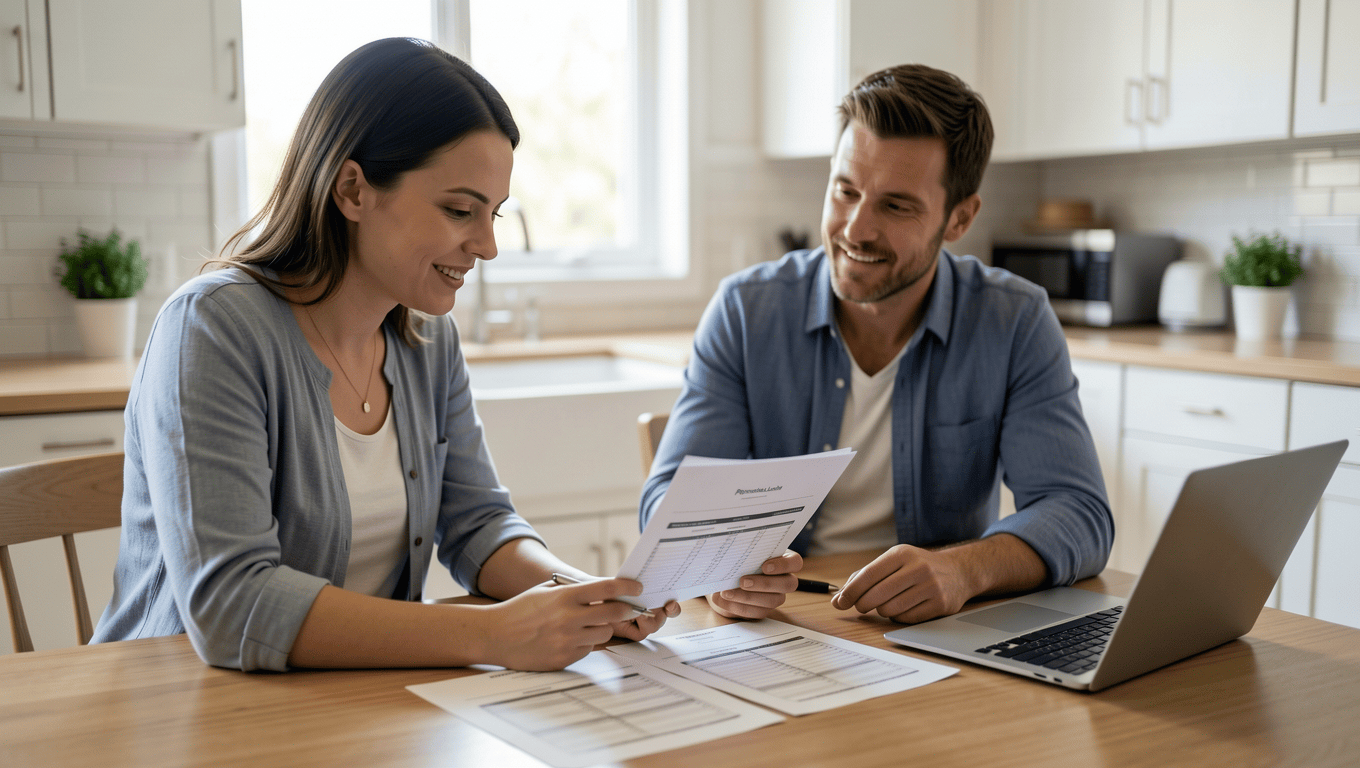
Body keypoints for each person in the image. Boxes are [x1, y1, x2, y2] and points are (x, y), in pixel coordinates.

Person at [92, 37, 678, 672]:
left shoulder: (426, 339)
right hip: (178, 706)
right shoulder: (212, 329)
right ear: (352, 190)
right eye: (460, 210)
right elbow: (233, 604)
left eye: (495, 215)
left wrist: (587, 599)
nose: (487, 246)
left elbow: (478, 523)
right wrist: (489, 635)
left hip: (354, 704)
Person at [640, 64, 1112, 625]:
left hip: (934, 627)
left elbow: (1079, 511)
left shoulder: (1014, 322)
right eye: (845, 191)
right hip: (781, 623)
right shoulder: (746, 312)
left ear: (959, 218)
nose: (855, 229)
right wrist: (716, 569)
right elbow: (669, 504)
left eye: (895, 205)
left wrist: (965, 570)